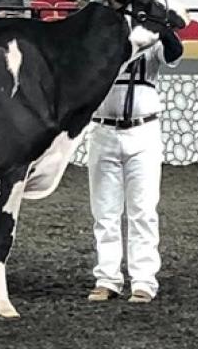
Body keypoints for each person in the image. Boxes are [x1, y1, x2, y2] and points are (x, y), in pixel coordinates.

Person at [87, 27, 184, 303]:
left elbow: (174, 53)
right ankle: (107, 278)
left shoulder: (152, 42)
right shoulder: (101, 41)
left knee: (142, 210)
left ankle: (143, 281)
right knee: (104, 212)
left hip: (143, 130)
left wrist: (162, 25)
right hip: (103, 129)